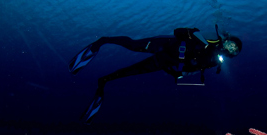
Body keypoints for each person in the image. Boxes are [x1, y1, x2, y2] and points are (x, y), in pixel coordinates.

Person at [68, 25, 242, 124]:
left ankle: (103, 82)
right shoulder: (214, 38)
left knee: (131, 71)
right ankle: (102, 41)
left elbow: (195, 69)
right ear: (228, 40)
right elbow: (191, 34)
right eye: (232, 44)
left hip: (166, 62)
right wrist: (192, 37)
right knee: (133, 45)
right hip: (165, 45)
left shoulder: (215, 61)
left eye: (233, 51)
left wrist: (181, 74)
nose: (230, 49)